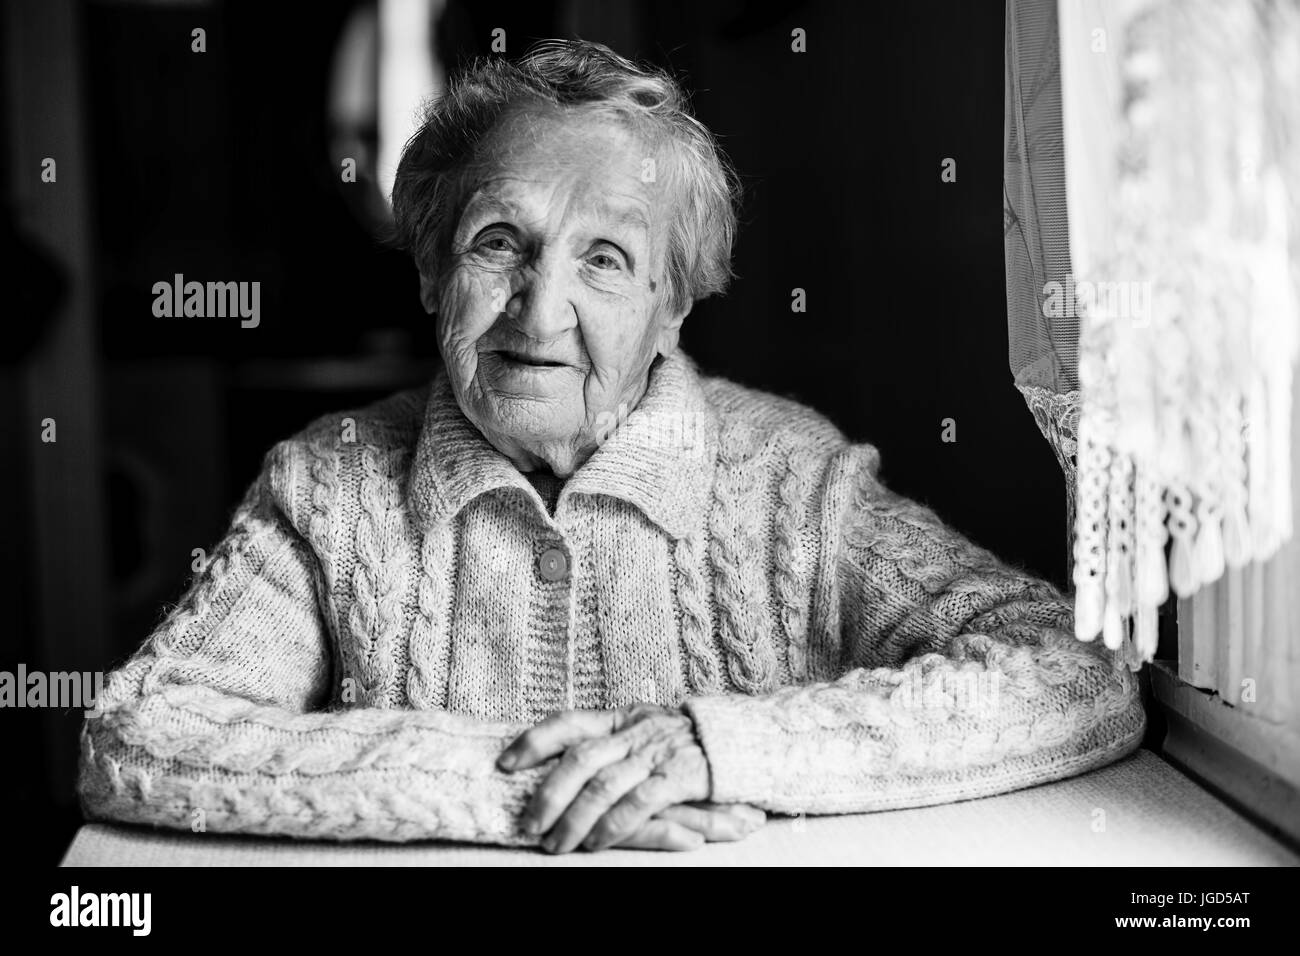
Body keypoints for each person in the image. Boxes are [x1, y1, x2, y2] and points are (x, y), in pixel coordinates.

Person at [78, 39, 1145, 854]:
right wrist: (519, 785)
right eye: (499, 243)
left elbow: (1077, 673)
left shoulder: (786, 484)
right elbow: (143, 731)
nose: (539, 314)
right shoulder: (330, 485)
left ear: (670, 305)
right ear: (431, 275)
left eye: (603, 260)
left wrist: (717, 746)